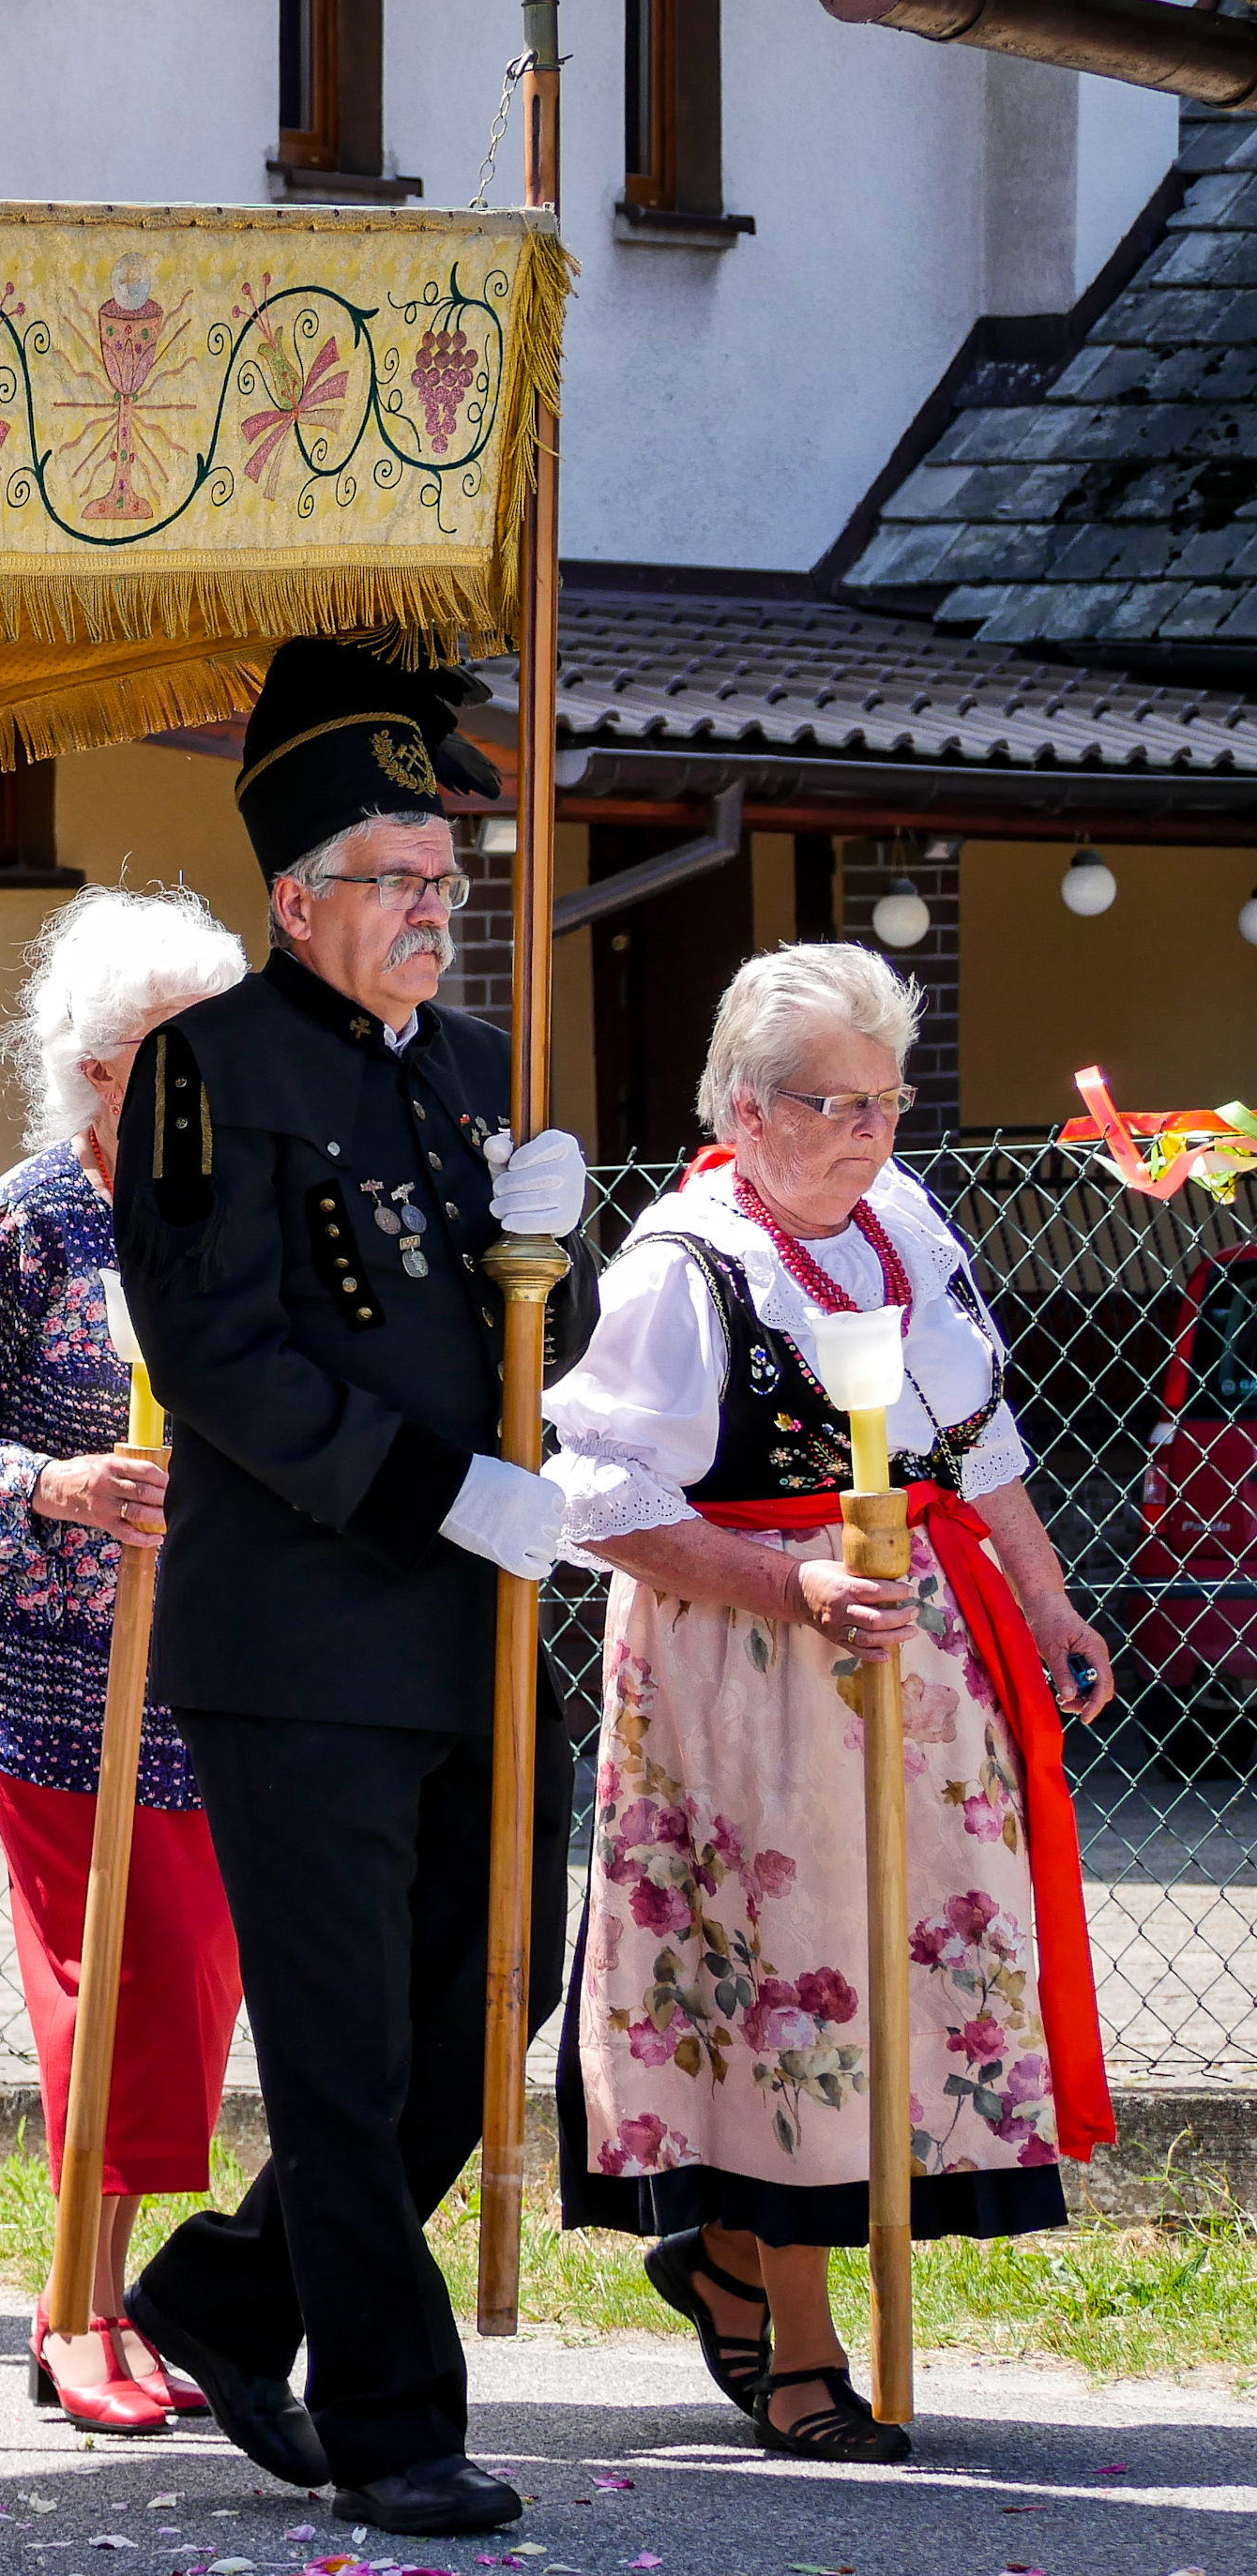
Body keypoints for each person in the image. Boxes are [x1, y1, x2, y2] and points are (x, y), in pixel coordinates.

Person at [110, 638, 594, 2540]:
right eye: (397, 877)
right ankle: (393, 2422)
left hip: (476, 1635)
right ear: (297, 894)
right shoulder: (205, 1069)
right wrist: (443, 1490)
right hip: (307, 1636)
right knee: (346, 2047)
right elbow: (220, 1355)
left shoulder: (483, 1071)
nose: (433, 909)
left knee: (486, 2013)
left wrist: (562, 1249)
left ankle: (232, 2296)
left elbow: (543, 1345)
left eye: (445, 877)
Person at [544, 942, 1115, 2464]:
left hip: (916, 1651)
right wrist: (787, 1582)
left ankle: (729, 2262)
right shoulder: (683, 1266)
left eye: (887, 1099)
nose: (870, 1129)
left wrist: (1046, 1595)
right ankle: (799, 2340)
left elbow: (977, 1434)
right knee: (790, 1980)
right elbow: (596, 1496)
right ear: (746, 1108)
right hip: (746, 1667)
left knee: (903, 1968)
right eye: (835, 1102)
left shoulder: (902, 1222)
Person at [0, 887, 248, 2435]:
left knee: (192, 1987)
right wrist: (61, 1483)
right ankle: (76, 2307)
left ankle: (109, 2293)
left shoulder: (244, 1204)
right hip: (49, 1667)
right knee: (114, 1980)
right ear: (98, 1068)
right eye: (180, 1047)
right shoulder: (33, 1214)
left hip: (211, 1661)